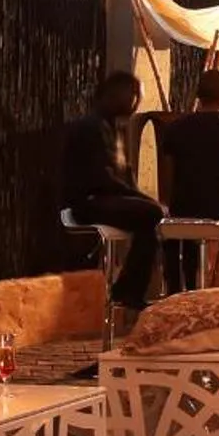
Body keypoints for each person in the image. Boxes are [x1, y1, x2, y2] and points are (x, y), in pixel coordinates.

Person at [60, 71, 164, 320]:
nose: (137, 102)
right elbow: (102, 179)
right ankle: (128, 289)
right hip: (87, 202)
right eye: (135, 95)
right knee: (151, 213)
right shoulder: (91, 127)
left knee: (152, 218)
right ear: (118, 94)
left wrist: (143, 198)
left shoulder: (111, 128)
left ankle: (130, 288)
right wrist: (146, 201)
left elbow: (123, 178)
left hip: (104, 198)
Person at [156, 68, 219, 292]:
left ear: (198, 97)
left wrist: (172, 209)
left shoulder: (174, 128)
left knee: (183, 234)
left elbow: (167, 182)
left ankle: (176, 293)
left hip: (181, 213)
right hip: (218, 214)